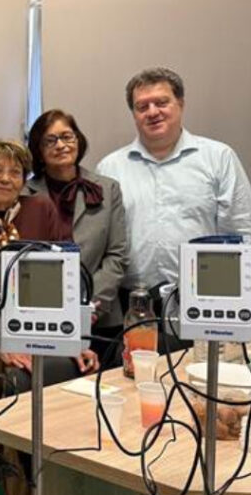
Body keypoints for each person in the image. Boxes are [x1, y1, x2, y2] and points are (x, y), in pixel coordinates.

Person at [0, 139, 99, 389]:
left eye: (15, 172)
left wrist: (73, 340)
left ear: (24, 180)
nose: (5, 179)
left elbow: (65, 278)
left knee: (78, 374)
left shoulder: (42, 209)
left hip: (43, 328)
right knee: (12, 381)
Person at [97, 67, 251, 312]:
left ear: (180, 104)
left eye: (161, 102)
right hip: (133, 303)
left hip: (205, 299)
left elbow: (242, 231)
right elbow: (103, 244)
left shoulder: (218, 158)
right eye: (142, 106)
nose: (152, 112)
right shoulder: (110, 168)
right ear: (134, 113)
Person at [27, 109, 128, 363]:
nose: (61, 145)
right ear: (38, 150)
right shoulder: (24, 193)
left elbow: (117, 255)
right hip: (43, 318)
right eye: (50, 140)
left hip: (100, 316)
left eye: (67, 136)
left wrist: (89, 304)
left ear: (78, 140)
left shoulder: (108, 188)